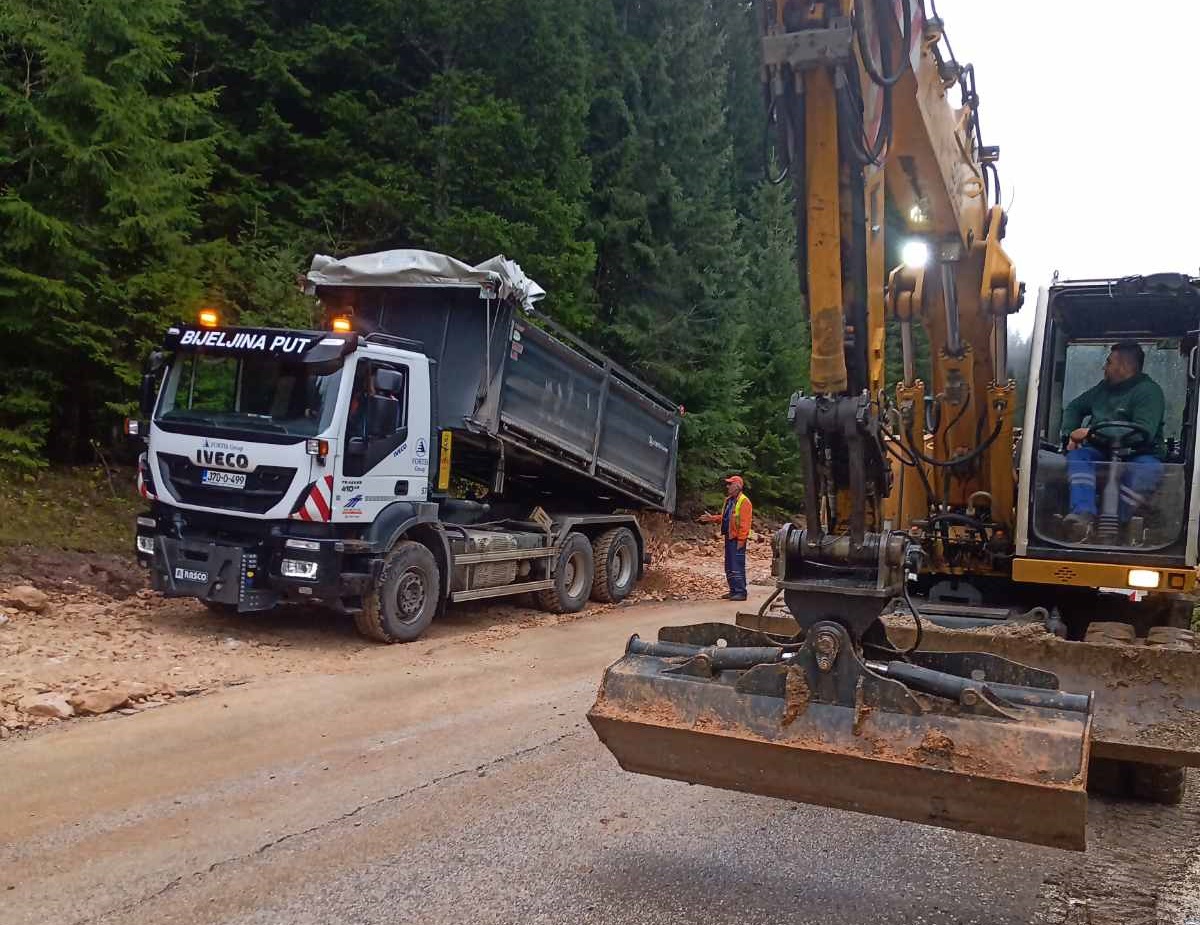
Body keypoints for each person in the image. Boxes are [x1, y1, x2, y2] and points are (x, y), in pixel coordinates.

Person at [1061, 340, 1165, 541]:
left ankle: (1119, 521)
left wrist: (1090, 431)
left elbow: (1144, 432)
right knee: (1078, 456)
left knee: (1148, 470)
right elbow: (1074, 407)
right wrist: (1070, 434)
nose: (1104, 367)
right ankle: (1083, 516)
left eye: (1108, 362)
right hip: (1101, 452)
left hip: (1138, 454)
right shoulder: (1102, 389)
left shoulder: (1149, 392)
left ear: (1124, 367)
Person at [700, 475, 753, 601]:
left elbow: (745, 524)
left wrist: (741, 541)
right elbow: (725, 518)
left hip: (737, 539)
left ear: (738, 486)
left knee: (737, 565)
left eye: (730, 484)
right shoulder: (729, 501)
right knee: (729, 565)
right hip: (729, 537)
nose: (727, 486)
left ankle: (740, 592)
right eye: (728, 484)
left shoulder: (744, 501)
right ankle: (733, 590)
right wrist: (711, 518)